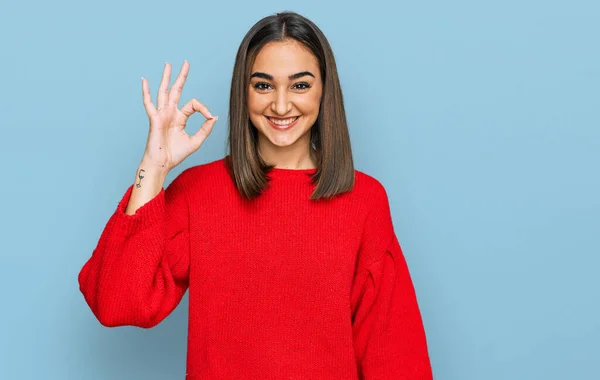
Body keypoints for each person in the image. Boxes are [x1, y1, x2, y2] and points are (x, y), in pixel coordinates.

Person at [78, 11, 433, 380]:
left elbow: (395, 353)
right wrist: (153, 166)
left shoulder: (364, 200)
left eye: (300, 85)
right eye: (263, 86)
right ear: (243, 92)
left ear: (325, 90)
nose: (280, 106)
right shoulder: (198, 192)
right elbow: (116, 301)